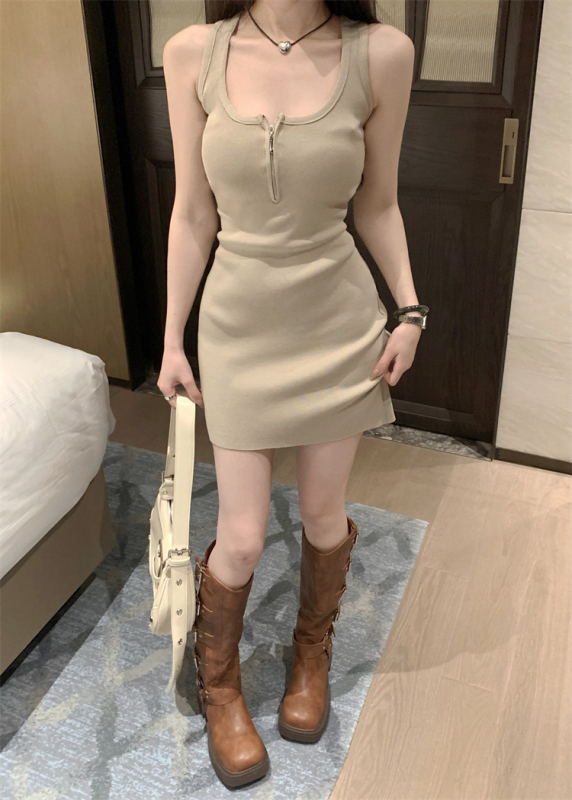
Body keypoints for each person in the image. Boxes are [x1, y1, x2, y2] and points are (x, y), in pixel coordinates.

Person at [158, 0, 425, 789]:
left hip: (336, 324)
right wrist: (171, 338)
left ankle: (312, 652)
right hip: (237, 327)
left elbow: (378, 203)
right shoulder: (192, 52)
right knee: (240, 540)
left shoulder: (380, 52)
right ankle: (220, 687)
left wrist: (410, 309)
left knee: (321, 515)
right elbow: (192, 213)